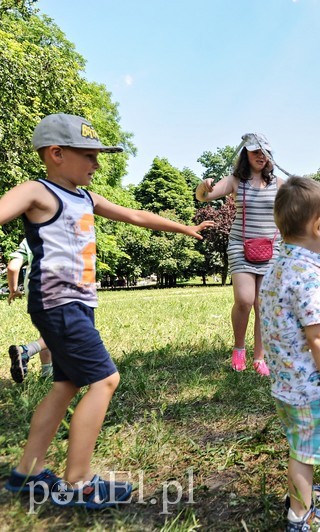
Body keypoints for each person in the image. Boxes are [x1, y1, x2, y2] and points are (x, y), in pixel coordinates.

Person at [1, 113, 214, 507]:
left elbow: (135, 215)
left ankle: (26, 473)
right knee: (105, 380)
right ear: (57, 153)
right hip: (57, 302)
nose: (97, 165)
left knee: (65, 385)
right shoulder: (37, 191)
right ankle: (79, 482)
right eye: (90, 156)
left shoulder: (85, 197)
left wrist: (184, 228)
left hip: (78, 303)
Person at [260, 177, 320, 531]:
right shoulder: (307, 275)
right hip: (311, 388)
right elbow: (318, 338)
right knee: (305, 454)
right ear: (318, 225)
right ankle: (301, 516)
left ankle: (305, 492)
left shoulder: (277, 267)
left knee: (301, 443)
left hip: (288, 384)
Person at [196, 133, 281, 376]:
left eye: (264, 152)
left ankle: (259, 358)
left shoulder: (278, 183)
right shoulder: (235, 180)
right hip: (240, 246)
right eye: (255, 152)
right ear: (245, 154)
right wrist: (203, 186)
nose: (260, 156)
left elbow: (301, 202)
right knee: (245, 300)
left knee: (263, 305)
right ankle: (239, 349)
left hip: (271, 249)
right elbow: (204, 196)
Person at [7, 238, 52, 381]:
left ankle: (47, 372)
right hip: (56, 290)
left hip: (34, 292)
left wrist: (13, 289)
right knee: (64, 331)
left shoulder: (30, 237)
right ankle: (25, 351)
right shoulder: (62, 233)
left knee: (45, 332)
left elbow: (13, 267)